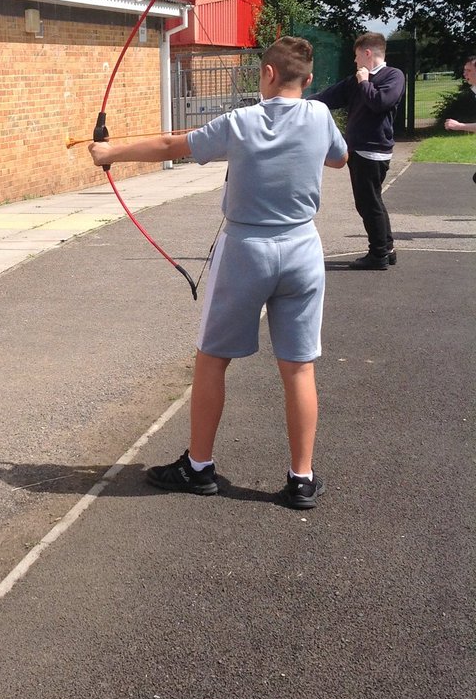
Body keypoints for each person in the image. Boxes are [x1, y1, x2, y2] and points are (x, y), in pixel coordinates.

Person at [89, 36, 348, 509]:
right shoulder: (320, 116)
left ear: (266, 74)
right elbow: (339, 157)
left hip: (246, 251)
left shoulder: (241, 122)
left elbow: (172, 144)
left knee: (212, 359)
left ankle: (200, 467)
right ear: (308, 81)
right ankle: (302, 478)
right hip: (302, 251)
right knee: (298, 366)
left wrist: (110, 154)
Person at [309, 33, 405, 270]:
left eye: (356, 56)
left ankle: (378, 254)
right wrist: (301, 103)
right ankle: (387, 249)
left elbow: (380, 103)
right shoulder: (356, 80)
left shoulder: (393, 76)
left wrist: (365, 83)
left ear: (367, 53)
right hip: (358, 150)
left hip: (373, 151)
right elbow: (329, 97)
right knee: (373, 201)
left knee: (368, 203)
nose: (355, 61)